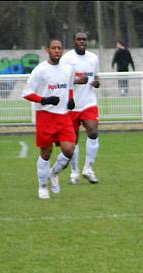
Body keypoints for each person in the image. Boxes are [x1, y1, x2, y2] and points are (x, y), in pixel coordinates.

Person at [22, 38, 76, 199]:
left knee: (69, 150)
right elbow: (26, 93)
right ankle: (43, 186)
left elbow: (70, 85)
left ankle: (53, 173)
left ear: (63, 50)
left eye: (59, 48)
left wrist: (71, 98)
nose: (57, 51)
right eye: (54, 48)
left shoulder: (68, 69)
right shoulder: (40, 70)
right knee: (46, 153)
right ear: (47, 50)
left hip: (63, 116)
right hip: (45, 116)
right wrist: (44, 100)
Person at [60, 32, 101, 184]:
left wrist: (95, 82)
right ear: (74, 41)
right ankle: (74, 172)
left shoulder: (93, 58)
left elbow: (95, 76)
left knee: (93, 131)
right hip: (71, 104)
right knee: (73, 140)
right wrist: (76, 81)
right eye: (79, 39)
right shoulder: (67, 59)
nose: (82, 41)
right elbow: (62, 80)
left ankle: (88, 169)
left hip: (89, 102)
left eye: (84, 39)